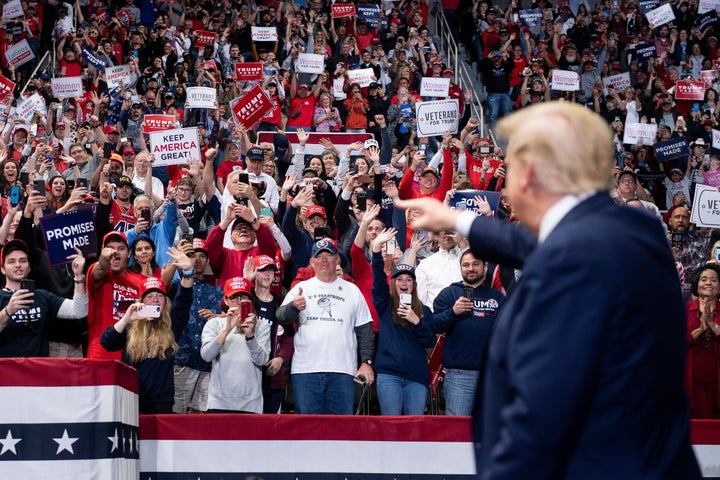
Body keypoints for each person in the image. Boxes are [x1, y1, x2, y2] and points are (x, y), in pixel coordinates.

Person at [396, 102, 701, 479]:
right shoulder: (632, 234)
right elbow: (542, 244)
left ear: (531, 176)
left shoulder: (571, 266)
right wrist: (459, 220)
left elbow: (542, 415)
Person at [277, 239, 375, 415]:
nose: (323, 260)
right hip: (306, 370)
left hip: (343, 370)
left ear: (337, 259)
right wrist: (293, 307)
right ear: (312, 262)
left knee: (340, 431)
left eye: (328, 255)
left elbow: (365, 330)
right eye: (319, 256)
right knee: (307, 429)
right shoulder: (301, 288)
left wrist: (366, 362)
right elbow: (281, 317)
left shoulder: (352, 290)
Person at [100, 248, 194, 414]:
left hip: (161, 401)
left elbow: (184, 301)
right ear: (141, 301)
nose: (155, 300)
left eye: (159, 296)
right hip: (131, 395)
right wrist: (126, 319)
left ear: (165, 301)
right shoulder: (131, 324)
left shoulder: (172, 324)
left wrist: (188, 272)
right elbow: (106, 342)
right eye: (149, 296)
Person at [430, 249, 504, 416]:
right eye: (466, 265)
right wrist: (453, 312)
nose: (471, 268)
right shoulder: (449, 294)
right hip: (459, 376)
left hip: (491, 376)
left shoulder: (498, 298)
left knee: (489, 430)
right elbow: (434, 326)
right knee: (457, 433)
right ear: (461, 268)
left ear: (484, 267)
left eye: (475, 264)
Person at [371, 228, 436, 415]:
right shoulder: (385, 304)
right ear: (393, 283)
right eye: (399, 279)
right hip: (389, 375)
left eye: (409, 279)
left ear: (414, 285)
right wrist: (376, 250)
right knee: (391, 428)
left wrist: (416, 321)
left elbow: (430, 341)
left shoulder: (423, 310)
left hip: (417, 377)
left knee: (414, 432)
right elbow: (377, 281)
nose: (404, 283)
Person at [0, 240, 88, 357]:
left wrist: (78, 277)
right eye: (11, 261)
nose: (18, 265)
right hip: (8, 371)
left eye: (23, 260)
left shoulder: (42, 296)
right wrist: (8, 311)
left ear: (29, 267)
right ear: (2, 269)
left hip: (38, 372)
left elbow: (79, 311)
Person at [201, 276, 270, 414]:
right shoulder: (214, 324)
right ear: (225, 300)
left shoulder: (262, 325)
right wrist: (226, 330)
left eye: (243, 297)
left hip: (251, 404)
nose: (239, 303)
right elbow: (207, 356)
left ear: (250, 300)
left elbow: (262, 360)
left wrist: (250, 336)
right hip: (219, 403)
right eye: (234, 298)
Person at [686, 263, 720, 419]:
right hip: (688, 380)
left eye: (713, 280)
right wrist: (699, 330)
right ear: (696, 284)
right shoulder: (684, 310)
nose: (708, 283)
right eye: (704, 279)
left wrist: (712, 325)